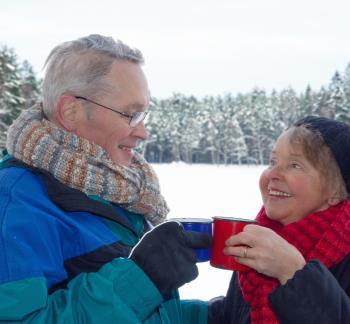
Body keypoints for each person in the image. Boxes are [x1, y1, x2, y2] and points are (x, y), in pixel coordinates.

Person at [0, 34, 213, 323]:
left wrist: (212, 316)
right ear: (70, 111)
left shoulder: (118, 191)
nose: (143, 132)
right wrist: (141, 278)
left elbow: (140, 312)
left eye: (143, 115)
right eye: (130, 114)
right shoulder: (15, 203)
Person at [209, 116, 350, 323]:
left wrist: (293, 273)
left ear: (336, 191)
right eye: (273, 161)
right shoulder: (258, 240)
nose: (272, 173)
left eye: (295, 165)